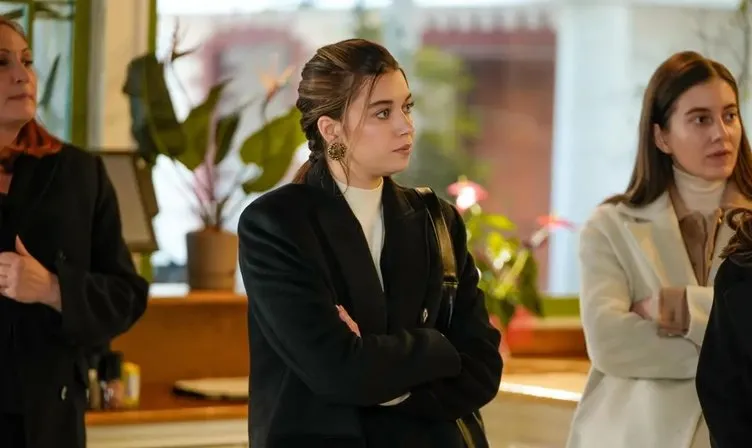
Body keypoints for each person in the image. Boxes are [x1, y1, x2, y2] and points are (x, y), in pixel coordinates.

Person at [238, 38, 502, 448]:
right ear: (331, 130)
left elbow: (483, 368)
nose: (405, 126)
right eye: (383, 112)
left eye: (407, 107)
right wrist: (437, 346)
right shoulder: (276, 225)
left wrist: (374, 365)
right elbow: (337, 372)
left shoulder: (437, 220)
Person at [566, 51, 752, 448]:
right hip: (635, 435)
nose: (721, 133)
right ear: (661, 136)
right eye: (700, 119)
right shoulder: (610, 226)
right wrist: (731, 355)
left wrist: (679, 306)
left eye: (730, 115)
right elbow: (610, 343)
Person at [0, 17, 149, 448]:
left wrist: (52, 288)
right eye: (2, 62)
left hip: (49, 421)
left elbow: (127, 296)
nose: (22, 75)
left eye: (27, 61)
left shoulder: (79, 173)